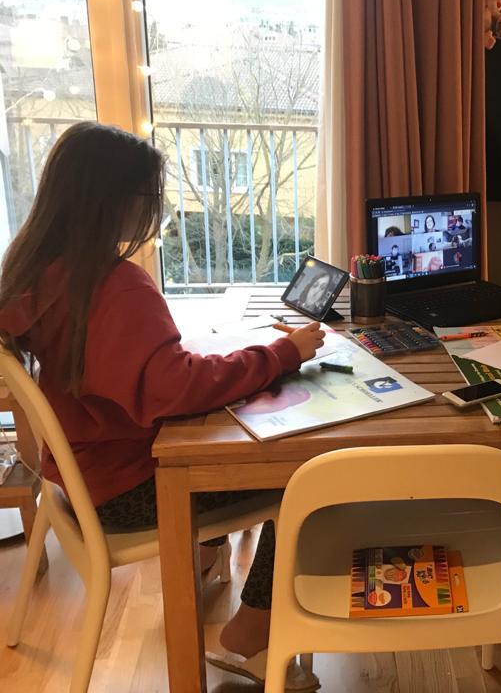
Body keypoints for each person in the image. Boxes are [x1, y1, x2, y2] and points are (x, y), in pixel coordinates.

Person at [0, 122, 324, 691]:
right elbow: (173, 389)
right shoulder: (115, 285)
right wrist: (281, 353)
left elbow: (143, 374)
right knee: (304, 474)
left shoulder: (41, 275)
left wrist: (215, 360)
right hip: (128, 490)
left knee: (215, 433)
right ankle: (253, 632)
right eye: (151, 196)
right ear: (118, 201)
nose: (156, 209)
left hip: (83, 477)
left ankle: (201, 561)